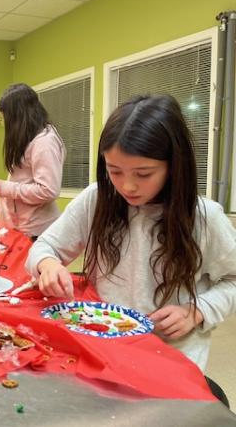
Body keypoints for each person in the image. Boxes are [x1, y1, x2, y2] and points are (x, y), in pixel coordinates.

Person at [26, 94, 236, 404]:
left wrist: (197, 311)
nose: (128, 187)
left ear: (173, 166)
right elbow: (45, 246)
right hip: (105, 351)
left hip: (171, 358)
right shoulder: (96, 199)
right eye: (115, 171)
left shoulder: (204, 218)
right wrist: (48, 264)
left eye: (143, 174)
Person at [0, 83, 65, 240]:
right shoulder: (29, 138)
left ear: (19, 116)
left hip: (35, 232)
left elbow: (48, 190)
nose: (6, 125)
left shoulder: (45, 142)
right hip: (20, 228)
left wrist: (7, 189)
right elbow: (23, 181)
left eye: (7, 119)